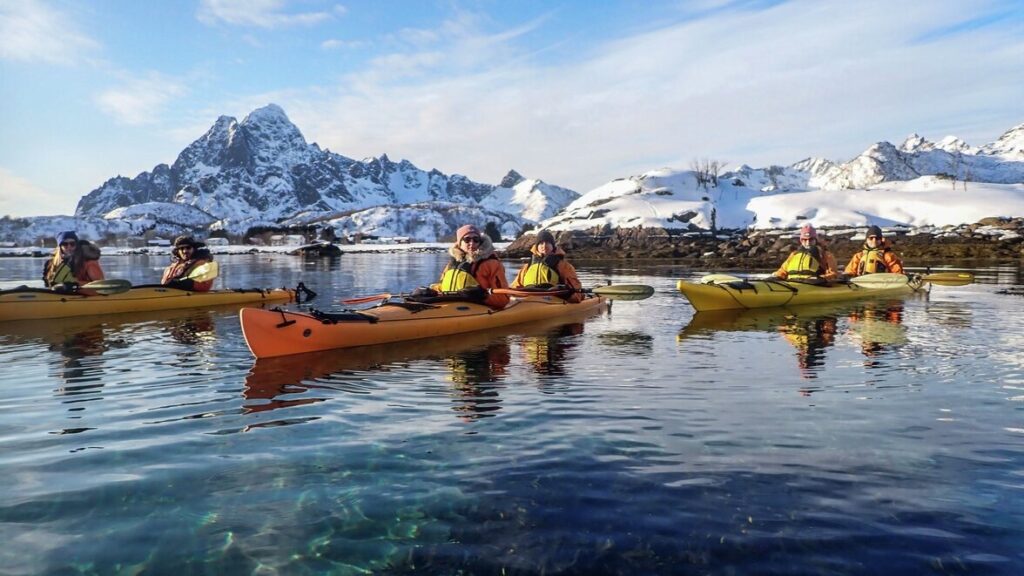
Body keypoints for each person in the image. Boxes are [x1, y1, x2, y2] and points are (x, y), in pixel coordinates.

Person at [431, 224, 510, 309]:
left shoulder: (492, 264)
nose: (471, 243)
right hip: (451, 306)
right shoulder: (452, 263)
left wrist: (482, 296)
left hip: (478, 309)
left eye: (476, 239)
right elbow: (442, 287)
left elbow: (503, 299)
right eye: (467, 239)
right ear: (459, 243)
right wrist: (431, 291)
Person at [511, 229, 584, 303]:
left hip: (552, 297)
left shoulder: (563, 265)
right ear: (536, 246)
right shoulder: (527, 266)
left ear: (552, 246)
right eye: (541, 243)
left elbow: (575, 287)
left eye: (547, 243)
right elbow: (515, 286)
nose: (544, 246)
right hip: (528, 296)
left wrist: (576, 298)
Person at [772, 223, 838, 282]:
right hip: (793, 283)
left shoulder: (825, 255)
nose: (807, 242)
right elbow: (783, 270)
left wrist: (822, 278)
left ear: (815, 240)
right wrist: (777, 276)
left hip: (814, 285)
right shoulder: (794, 254)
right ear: (801, 240)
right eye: (805, 240)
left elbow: (833, 274)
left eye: (810, 239)